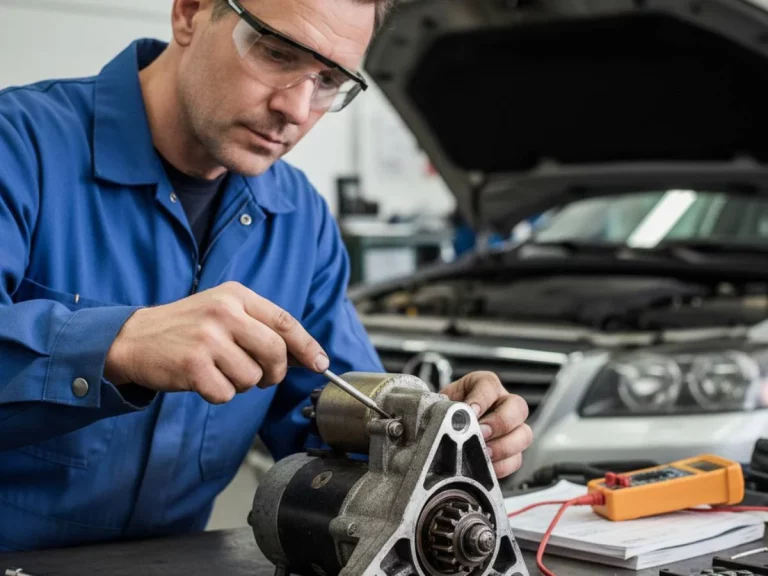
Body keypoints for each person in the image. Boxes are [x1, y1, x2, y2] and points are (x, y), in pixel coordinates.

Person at [0, 0, 533, 551]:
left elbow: (335, 418)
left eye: (330, 80)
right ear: (189, 13)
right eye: (276, 53)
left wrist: (434, 434)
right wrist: (119, 347)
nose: (297, 109)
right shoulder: (16, 147)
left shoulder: (299, 219)